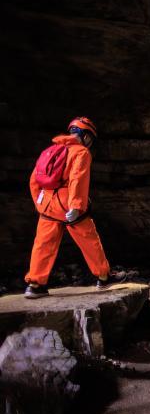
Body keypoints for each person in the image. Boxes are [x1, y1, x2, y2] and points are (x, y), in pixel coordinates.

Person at [24, 117, 112, 298]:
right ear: (86, 136)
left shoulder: (51, 150)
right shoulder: (81, 153)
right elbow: (77, 179)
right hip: (68, 205)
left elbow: (34, 180)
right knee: (89, 239)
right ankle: (103, 277)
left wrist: (39, 204)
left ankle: (35, 285)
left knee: (43, 244)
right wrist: (76, 206)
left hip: (47, 205)